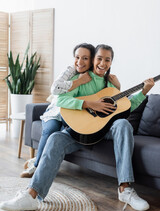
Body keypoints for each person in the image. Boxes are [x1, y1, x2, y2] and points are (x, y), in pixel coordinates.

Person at [0, 44, 154, 211]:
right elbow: (60, 100)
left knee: (123, 123)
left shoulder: (111, 85)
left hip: (104, 131)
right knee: (55, 138)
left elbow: (126, 107)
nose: (102, 63)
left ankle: (125, 189)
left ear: (111, 63)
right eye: (99, 58)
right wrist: (88, 104)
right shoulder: (82, 79)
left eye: (107, 60)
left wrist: (143, 92)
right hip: (79, 132)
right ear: (94, 59)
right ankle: (31, 196)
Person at [21, 43, 120, 178]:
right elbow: (55, 90)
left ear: (91, 60)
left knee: (67, 134)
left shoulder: (97, 78)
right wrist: (79, 82)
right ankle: (37, 166)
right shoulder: (71, 71)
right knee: (51, 130)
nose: (80, 62)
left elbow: (108, 99)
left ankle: (40, 159)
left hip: (74, 114)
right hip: (56, 113)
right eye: (77, 57)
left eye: (85, 58)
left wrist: (117, 86)